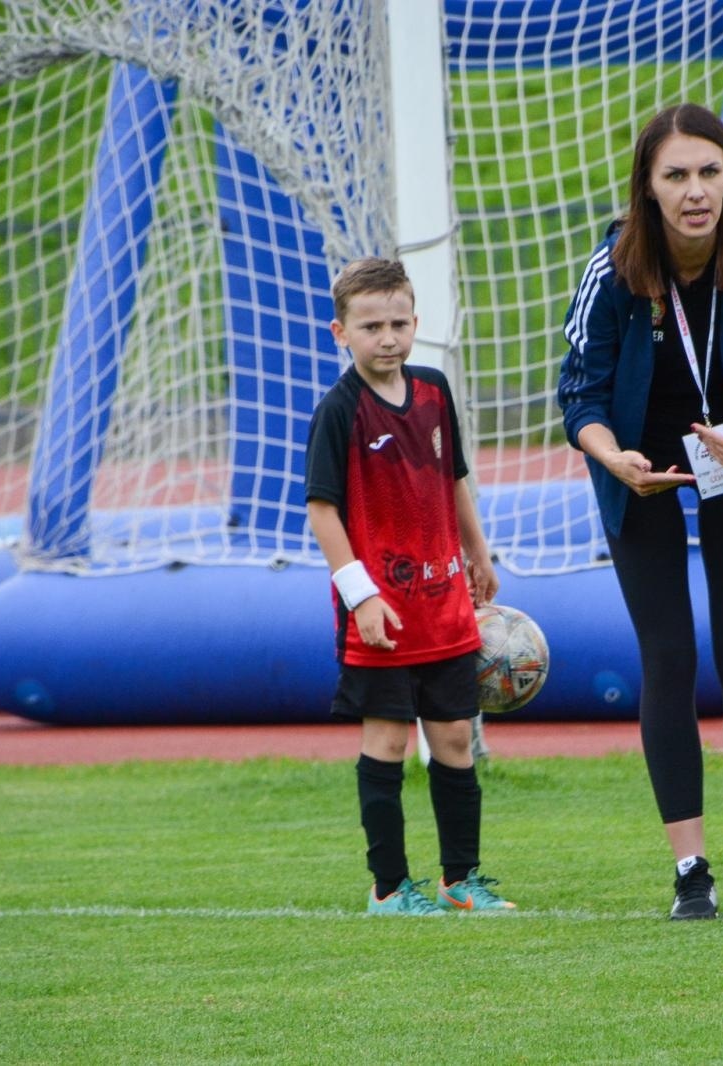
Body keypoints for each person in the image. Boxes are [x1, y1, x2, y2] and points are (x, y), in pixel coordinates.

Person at [557, 103, 723, 919]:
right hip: (642, 472)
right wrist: (613, 460)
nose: (696, 190)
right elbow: (581, 393)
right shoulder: (614, 267)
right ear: (649, 188)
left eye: (710, 171)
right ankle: (690, 873)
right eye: (676, 175)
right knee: (667, 658)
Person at [304, 256, 514, 916]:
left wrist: (477, 552)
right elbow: (322, 510)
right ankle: (390, 887)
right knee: (389, 741)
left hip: (444, 604)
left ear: (416, 322)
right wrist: (360, 595)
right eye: (371, 326)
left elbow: (453, 479)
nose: (388, 338)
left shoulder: (433, 391)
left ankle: (461, 879)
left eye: (398, 323)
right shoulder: (338, 411)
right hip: (382, 615)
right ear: (341, 331)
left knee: (453, 739)